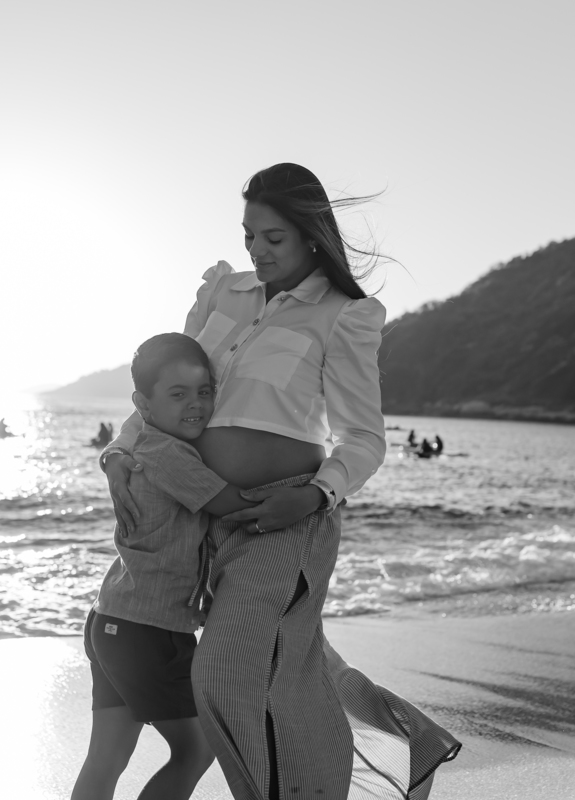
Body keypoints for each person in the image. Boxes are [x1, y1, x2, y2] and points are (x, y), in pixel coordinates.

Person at [101, 164, 458, 799]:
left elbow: (363, 439)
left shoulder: (344, 315)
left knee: (225, 670)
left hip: (288, 516)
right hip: (207, 520)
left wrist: (316, 493)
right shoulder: (221, 294)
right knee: (284, 666)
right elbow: (168, 379)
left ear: (311, 234)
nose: (258, 251)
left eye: (274, 238)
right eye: (249, 236)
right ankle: (404, 744)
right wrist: (122, 453)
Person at [74, 334, 257, 800]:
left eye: (204, 392)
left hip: (111, 620)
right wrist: (312, 495)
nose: (195, 405)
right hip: (148, 631)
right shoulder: (169, 454)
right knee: (196, 751)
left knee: (107, 759)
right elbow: (234, 504)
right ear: (144, 405)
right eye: (177, 395)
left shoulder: (147, 447)